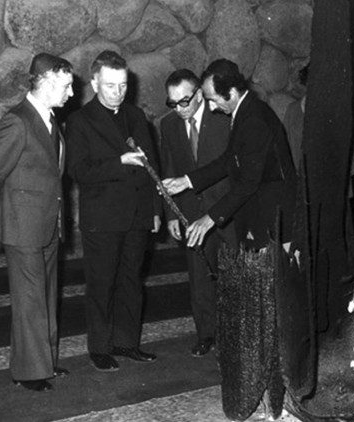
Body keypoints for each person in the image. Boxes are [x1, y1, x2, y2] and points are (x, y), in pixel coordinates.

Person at [0, 53, 74, 391]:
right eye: (65, 86)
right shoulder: (17, 121)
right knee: (30, 300)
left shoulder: (50, 120)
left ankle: (44, 362)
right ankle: (29, 372)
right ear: (47, 83)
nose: (71, 94)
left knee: (47, 296)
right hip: (22, 226)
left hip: (48, 224)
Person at [66, 50, 161, 371]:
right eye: (110, 86)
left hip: (136, 216)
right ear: (94, 83)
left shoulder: (136, 116)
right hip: (102, 218)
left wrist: (155, 211)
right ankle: (100, 348)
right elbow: (78, 170)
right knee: (102, 284)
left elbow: (153, 169)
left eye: (122, 85)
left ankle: (127, 342)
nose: (117, 92)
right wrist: (119, 163)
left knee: (132, 281)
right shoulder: (79, 121)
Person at [162, 58, 297, 251]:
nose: (212, 108)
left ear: (232, 92)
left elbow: (248, 182)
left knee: (278, 279)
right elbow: (228, 160)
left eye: (214, 100)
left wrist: (208, 219)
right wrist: (187, 181)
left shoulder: (253, 120)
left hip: (275, 221)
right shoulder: (244, 112)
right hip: (263, 216)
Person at [159, 69, 236, 357]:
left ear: (200, 94)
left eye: (185, 101)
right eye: (173, 103)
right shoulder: (169, 126)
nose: (179, 109)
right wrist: (170, 213)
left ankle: (235, 336)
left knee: (233, 274)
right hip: (190, 213)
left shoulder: (224, 119)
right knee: (200, 277)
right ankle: (206, 334)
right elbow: (168, 168)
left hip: (227, 211)